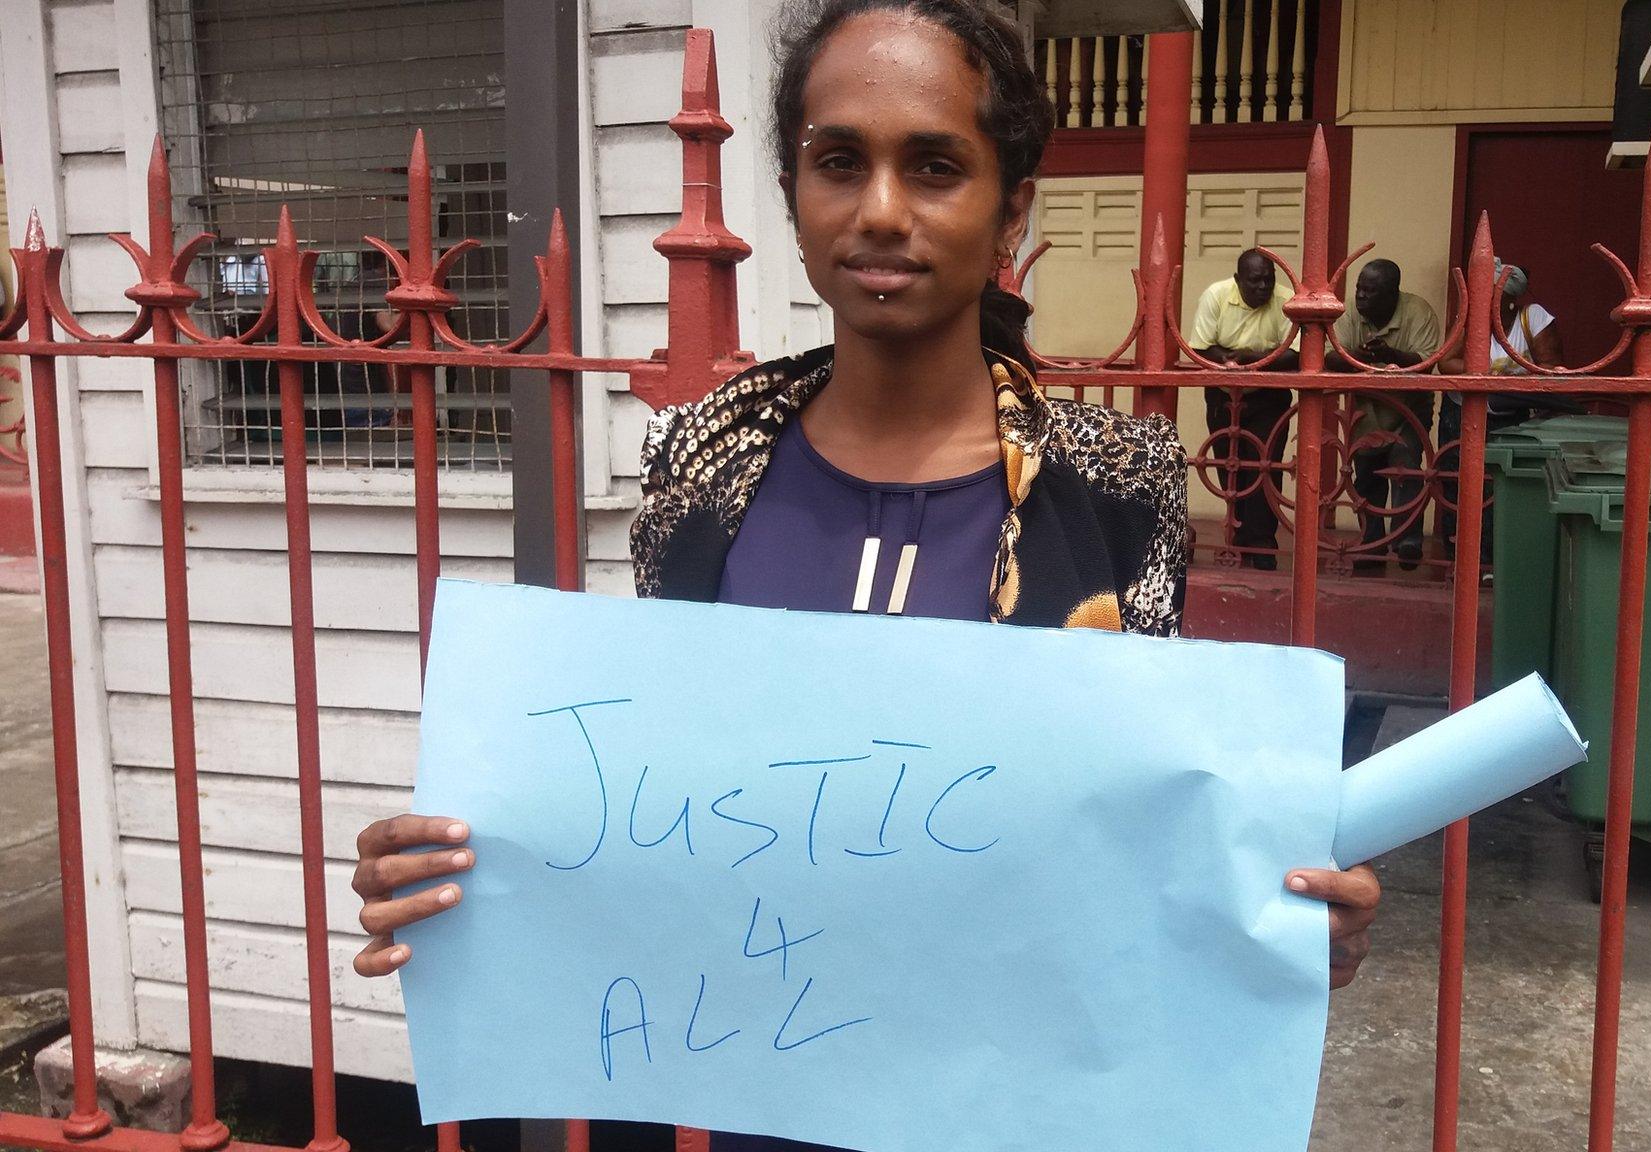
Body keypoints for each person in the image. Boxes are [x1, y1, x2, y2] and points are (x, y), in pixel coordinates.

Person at [347, 4, 1381, 1149]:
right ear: (793, 190)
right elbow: (663, 805)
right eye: (839, 161)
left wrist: (1275, 920)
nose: (880, 211)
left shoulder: (1113, 488)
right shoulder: (705, 464)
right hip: (741, 1099)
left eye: (934, 167)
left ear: (1009, 207)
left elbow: (1128, 844)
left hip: (1007, 1109)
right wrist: (469, 873)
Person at [1438, 259, 1564, 563]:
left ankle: (1493, 560)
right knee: (1457, 480)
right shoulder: (1470, 318)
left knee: (1499, 485)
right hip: (1462, 414)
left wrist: (1513, 379)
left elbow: (1551, 367)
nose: (1482, 300)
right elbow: (1445, 362)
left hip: (1512, 414)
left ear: (1509, 300)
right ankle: (1458, 558)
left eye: (1491, 295)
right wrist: (1483, 374)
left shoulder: (1532, 318)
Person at [1189, 249, 1299, 570]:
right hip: (1224, 394)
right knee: (1229, 465)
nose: (1264, 286)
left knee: (1264, 466)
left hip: (1269, 395)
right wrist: (1231, 357)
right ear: (1238, 280)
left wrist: (1246, 359)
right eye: (1255, 281)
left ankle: (1262, 542)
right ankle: (1240, 536)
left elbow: (1295, 355)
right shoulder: (1217, 295)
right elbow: (1200, 347)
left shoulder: (1287, 299)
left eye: (1269, 279)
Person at [1332, 258, 1440, 570]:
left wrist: (1390, 355)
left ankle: (1407, 541)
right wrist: (1360, 358)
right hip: (1365, 407)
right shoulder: (1351, 311)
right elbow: (1330, 357)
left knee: (1405, 468)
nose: (1362, 296)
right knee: (1365, 474)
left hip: (1408, 406)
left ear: (1392, 294)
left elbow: (1425, 362)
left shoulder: (1418, 312)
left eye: (1371, 291)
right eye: (1359, 289)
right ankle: (1371, 543)